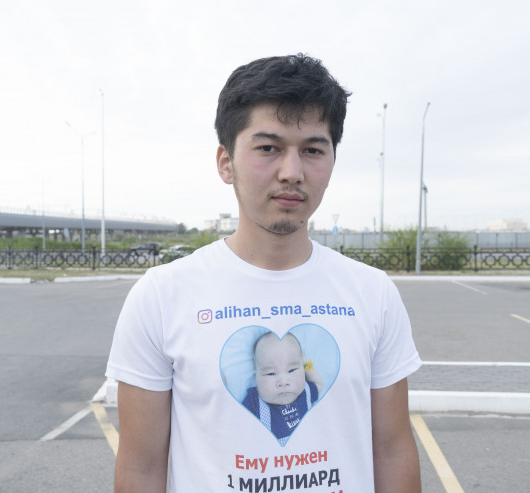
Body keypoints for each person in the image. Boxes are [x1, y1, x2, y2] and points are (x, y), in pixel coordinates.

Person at [106, 53, 422, 492]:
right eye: (268, 148)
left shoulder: (372, 293)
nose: (292, 172)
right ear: (226, 162)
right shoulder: (162, 296)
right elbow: (141, 467)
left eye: (312, 150)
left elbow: (392, 448)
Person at [242, 332, 324, 445]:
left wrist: (306, 364)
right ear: (257, 377)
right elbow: (234, 419)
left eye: (292, 370)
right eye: (271, 373)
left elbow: (319, 383)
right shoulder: (254, 403)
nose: (283, 382)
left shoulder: (306, 393)